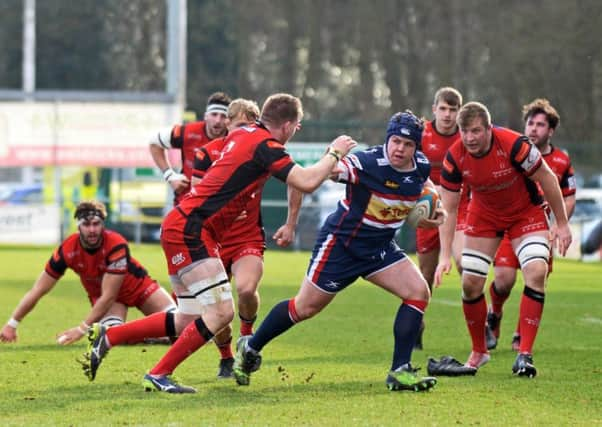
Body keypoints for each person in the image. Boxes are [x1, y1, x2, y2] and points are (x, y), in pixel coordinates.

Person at [81, 93, 357, 393]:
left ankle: (109, 337)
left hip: (185, 226)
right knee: (222, 313)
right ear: (290, 126)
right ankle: (159, 373)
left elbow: (295, 177)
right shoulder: (264, 145)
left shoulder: (244, 135)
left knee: (188, 317)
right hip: (193, 230)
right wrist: (334, 152)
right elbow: (304, 180)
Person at [233, 111, 446, 392]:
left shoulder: (419, 165)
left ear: (416, 147)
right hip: (342, 247)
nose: (399, 149)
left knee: (419, 293)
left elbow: (426, 188)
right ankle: (251, 346)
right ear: (387, 139)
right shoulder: (367, 161)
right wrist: (332, 155)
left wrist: (434, 207)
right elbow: (328, 173)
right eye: (395, 141)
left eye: (407, 145)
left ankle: (400, 370)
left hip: (380, 248)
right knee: (304, 307)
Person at [434, 101, 572, 378]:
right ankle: (479, 352)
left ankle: (524, 354)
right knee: (470, 283)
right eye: (464, 132)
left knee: (536, 270)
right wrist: (444, 255)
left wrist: (562, 224)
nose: (470, 138)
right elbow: (447, 209)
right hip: (484, 216)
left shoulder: (514, 144)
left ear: (489, 128)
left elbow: (547, 179)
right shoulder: (455, 156)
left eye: (475, 131)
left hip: (525, 213)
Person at [190, 98, 303, 378]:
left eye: (249, 125)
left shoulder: (260, 149)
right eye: (239, 125)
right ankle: (226, 357)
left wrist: (290, 224)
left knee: (245, 289)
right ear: (228, 124)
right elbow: (195, 195)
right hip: (212, 239)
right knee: (216, 306)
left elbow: (296, 179)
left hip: (246, 237)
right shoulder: (207, 154)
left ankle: (247, 338)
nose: (245, 130)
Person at [0, 201, 176, 345]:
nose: (92, 230)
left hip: (139, 288)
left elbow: (109, 294)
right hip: (109, 301)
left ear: (102, 224)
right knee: (114, 335)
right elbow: (38, 290)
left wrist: (81, 329)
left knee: (180, 325)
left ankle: (158, 333)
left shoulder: (116, 244)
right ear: (78, 226)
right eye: (86, 224)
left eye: (96, 224)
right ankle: (155, 337)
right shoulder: (67, 250)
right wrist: (11, 324)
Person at [485, 99, 576, 351]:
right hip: (509, 226)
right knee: (503, 280)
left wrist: (560, 223)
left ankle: (520, 336)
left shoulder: (561, 161)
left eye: (540, 125)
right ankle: (495, 314)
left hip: (540, 230)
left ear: (551, 131)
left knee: (535, 278)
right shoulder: (513, 151)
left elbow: (568, 196)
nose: (534, 129)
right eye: (530, 123)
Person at [414, 86, 468, 349]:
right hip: (427, 209)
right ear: (434, 109)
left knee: (465, 263)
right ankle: (417, 324)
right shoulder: (420, 133)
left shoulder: (466, 136)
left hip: (460, 208)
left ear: (460, 112)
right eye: (443, 109)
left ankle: (482, 325)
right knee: (425, 272)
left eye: (453, 109)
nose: (447, 115)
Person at [149, 91, 231, 205]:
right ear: (206, 116)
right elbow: (154, 143)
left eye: (223, 116)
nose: (218, 120)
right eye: (214, 114)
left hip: (218, 208)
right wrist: (170, 175)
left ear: (229, 120)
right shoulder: (187, 132)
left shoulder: (234, 140)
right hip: (185, 205)